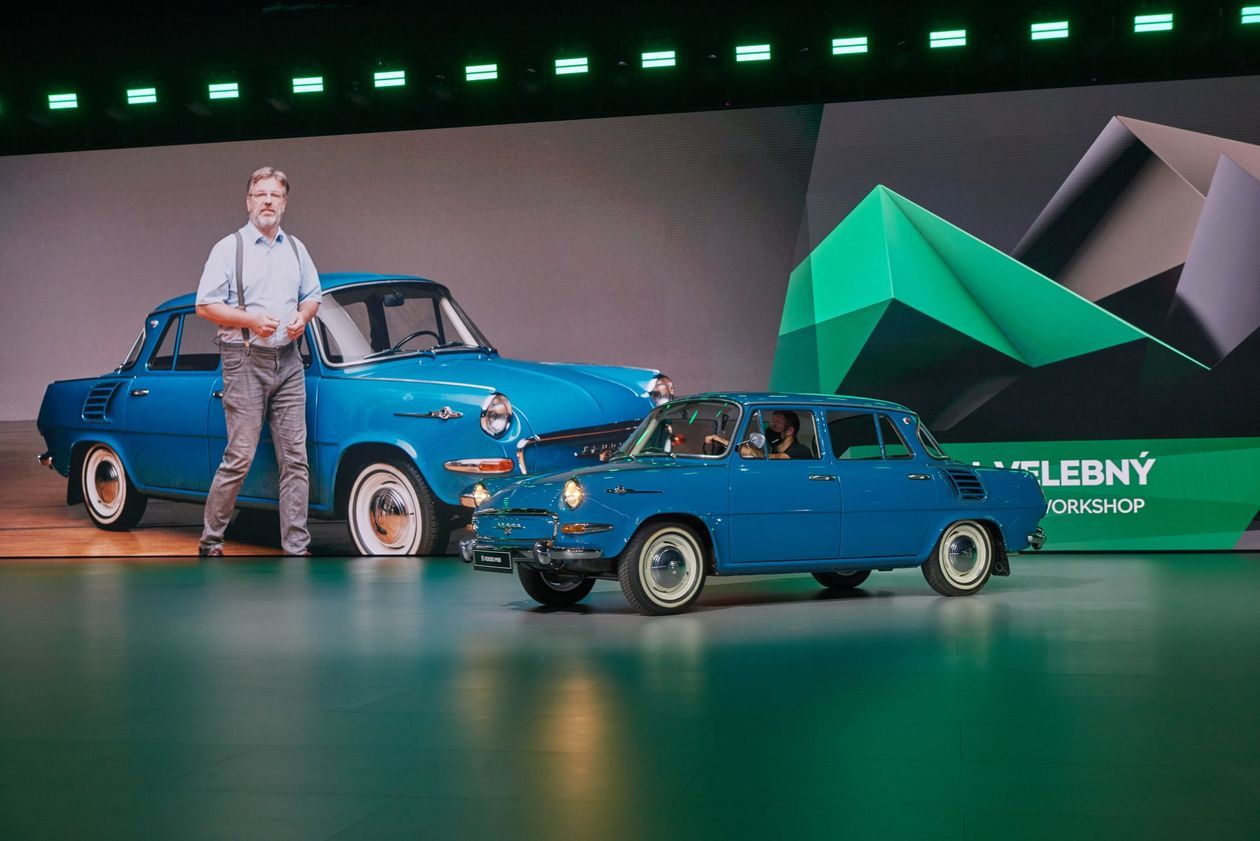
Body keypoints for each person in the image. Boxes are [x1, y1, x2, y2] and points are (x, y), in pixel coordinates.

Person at [194, 167, 321, 557]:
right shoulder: (228, 248)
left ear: (284, 203)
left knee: (296, 459)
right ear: (248, 202)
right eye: (260, 194)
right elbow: (204, 305)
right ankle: (211, 540)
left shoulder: (296, 248)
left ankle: (297, 547)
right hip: (244, 360)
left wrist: (302, 317)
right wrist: (249, 320)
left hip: (289, 361)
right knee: (240, 456)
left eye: (274, 195)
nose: (267, 201)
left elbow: (313, 295)